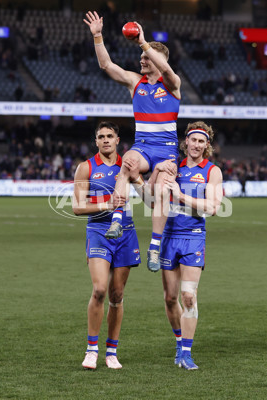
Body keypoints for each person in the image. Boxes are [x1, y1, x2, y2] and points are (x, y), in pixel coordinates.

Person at [84, 11, 180, 272]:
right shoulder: (135, 83)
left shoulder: (172, 84)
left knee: (159, 194)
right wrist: (97, 37)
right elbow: (107, 66)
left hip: (167, 151)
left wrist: (143, 42)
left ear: (157, 60)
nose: (142, 61)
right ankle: (117, 219)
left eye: (146, 58)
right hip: (145, 146)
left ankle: (155, 246)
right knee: (127, 161)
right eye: (141, 58)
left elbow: (168, 70)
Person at [127, 121, 223, 370]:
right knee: (171, 298)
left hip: (193, 237)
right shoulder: (172, 166)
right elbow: (150, 202)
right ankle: (180, 344)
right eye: (193, 140)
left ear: (207, 146)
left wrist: (181, 196)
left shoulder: (212, 171)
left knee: (188, 296)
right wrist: (141, 178)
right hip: (168, 237)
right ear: (186, 142)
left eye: (202, 141)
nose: (196, 145)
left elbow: (213, 208)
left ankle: (187, 353)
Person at [72, 121, 140, 370]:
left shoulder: (128, 165)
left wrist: (140, 181)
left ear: (117, 140)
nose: (105, 140)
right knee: (100, 289)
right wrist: (107, 205)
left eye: (110, 136)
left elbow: (150, 198)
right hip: (99, 232)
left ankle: (112, 351)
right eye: (101, 136)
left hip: (126, 233)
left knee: (117, 295)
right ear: (96, 141)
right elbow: (78, 207)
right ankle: (92, 349)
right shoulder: (86, 168)